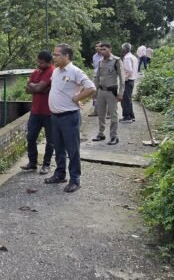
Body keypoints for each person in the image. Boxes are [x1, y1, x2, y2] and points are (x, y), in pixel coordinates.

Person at [44, 43, 96, 193]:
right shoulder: (56, 72)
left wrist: (77, 97)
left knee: (72, 150)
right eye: (54, 54)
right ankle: (60, 174)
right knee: (58, 148)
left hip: (69, 117)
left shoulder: (75, 71)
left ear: (66, 56)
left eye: (57, 55)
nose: (54, 57)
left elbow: (91, 88)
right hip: (55, 116)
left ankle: (75, 180)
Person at [20, 51, 55, 174]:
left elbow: (37, 88)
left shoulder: (52, 71)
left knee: (51, 141)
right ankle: (32, 162)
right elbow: (27, 90)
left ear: (49, 62)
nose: (39, 64)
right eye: (38, 62)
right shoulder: (36, 72)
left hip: (49, 112)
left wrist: (36, 87)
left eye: (41, 62)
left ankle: (46, 164)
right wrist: (39, 88)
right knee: (31, 137)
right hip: (35, 111)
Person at [93, 42, 125, 145]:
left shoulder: (116, 61)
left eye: (105, 49)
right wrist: (95, 91)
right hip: (101, 91)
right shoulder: (100, 62)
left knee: (113, 115)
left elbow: (122, 78)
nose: (102, 52)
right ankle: (101, 133)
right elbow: (97, 78)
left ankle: (114, 136)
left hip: (112, 92)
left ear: (110, 50)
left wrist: (120, 93)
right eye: (101, 50)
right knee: (101, 114)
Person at [120, 43, 139, 123]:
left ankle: (127, 116)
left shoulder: (127, 58)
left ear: (124, 49)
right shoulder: (134, 57)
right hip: (132, 80)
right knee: (128, 98)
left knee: (125, 99)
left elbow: (129, 70)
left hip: (128, 80)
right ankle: (131, 115)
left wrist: (124, 80)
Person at [89, 42, 103, 117]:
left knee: (105, 94)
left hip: (104, 77)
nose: (97, 48)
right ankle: (96, 111)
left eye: (99, 46)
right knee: (94, 94)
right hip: (95, 77)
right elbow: (95, 67)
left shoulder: (105, 56)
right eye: (96, 46)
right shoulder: (94, 56)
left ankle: (108, 112)